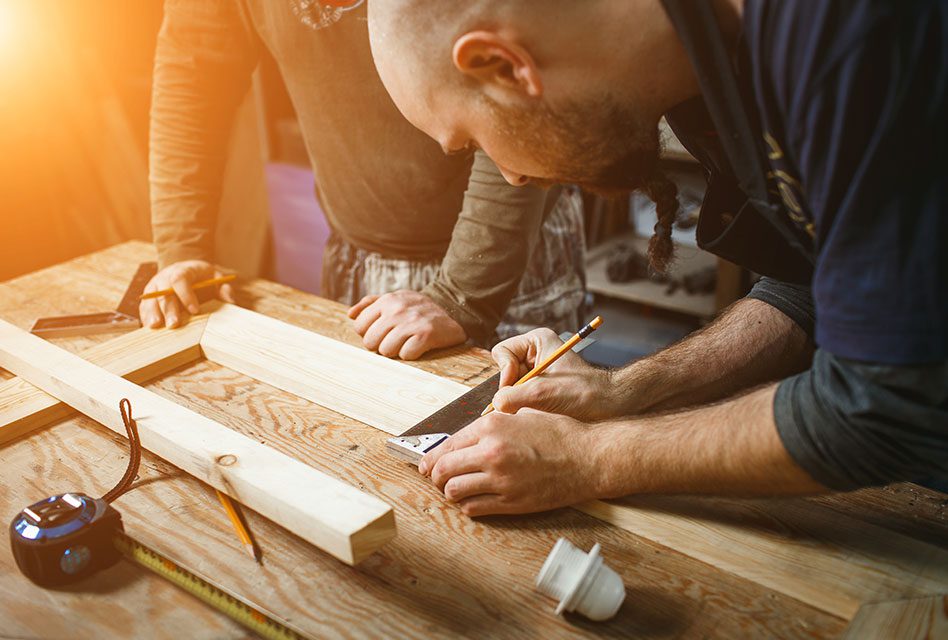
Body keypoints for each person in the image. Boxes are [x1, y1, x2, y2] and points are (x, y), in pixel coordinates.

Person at [366, 0, 948, 515]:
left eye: (472, 139)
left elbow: (882, 408)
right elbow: (807, 282)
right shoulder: (698, 66)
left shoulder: (841, 36)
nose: (512, 177)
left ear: (505, 64)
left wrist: (590, 459)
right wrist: (621, 393)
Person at [140, 0, 587, 360]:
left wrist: (464, 294)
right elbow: (193, 80)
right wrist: (182, 247)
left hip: (511, 256)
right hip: (357, 260)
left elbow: (515, 96)